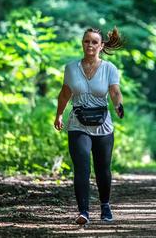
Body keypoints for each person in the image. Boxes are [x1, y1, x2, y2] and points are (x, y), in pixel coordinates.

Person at [54, 27, 124, 225]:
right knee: (82, 167)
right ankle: (83, 211)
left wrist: (118, 105)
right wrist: (59, 114)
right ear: (82, 43)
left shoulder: (109, 68)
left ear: (101, 46)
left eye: (94, 42)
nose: (90, 45)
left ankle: (105, 206)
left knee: (103, 168)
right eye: (87, 41)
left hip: (103, 125)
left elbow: (115, 91)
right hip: (78, 123)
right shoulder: (71, 68)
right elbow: (65, 94)